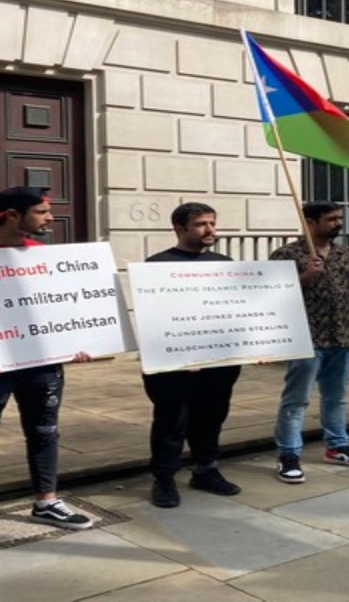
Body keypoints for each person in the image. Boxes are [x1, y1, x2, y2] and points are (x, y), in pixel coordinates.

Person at [0, 187, 93, 560]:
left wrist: (75, 341)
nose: (50, 218)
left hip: (42, 364)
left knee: (45, 431)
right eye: (42, 212)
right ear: (13, 214)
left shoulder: (45, 257)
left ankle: (46, 501)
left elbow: (61, 307)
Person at [269, 201, 349, 484]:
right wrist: (306, 276)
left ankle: (338, 446)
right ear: (310, 222)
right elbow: (272, 296)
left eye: (340, 218)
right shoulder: (286, 255)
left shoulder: (346, 255)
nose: (338, 223)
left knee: (336, 397)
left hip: (341, 336)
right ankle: (289, 454)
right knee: (296, 400)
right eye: (331, 219)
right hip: (305, 337)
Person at [143, 203, 242, 508]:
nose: (210, 230)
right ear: (179, 228)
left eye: (212, 223)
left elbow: (236, 309)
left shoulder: (224, 263)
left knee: (212, 417)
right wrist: (185, 353)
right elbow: (155, 317)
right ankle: (164, 478)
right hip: (174, 364)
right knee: (172, 420)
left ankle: (206, 470)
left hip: (218, 362)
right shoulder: (156, 265)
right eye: (201, 224)